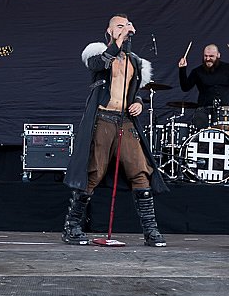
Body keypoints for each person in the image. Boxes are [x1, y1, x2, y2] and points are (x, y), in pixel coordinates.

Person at [62, 13, 168, 247]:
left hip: (125, 121)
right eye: (118, 26)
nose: (124, 29)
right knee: (94, 172)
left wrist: (138, 102)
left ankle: (151, 231)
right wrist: (117, 41)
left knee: (140, 171)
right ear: (109, 31)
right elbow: (98, 65)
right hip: (103, 119)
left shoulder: (135, 62)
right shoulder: (98, 54)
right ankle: (72, 226)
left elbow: (133, 91)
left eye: (126, 25)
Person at [178, 43, 229, 129]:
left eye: (211, 56)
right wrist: (182, 69)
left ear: (218, 55)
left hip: (224, 111)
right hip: (203, 110)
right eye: (205, 56)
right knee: (199, 123)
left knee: (224, 133)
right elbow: (185, 87)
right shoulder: (197, 71)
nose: (208, 59)